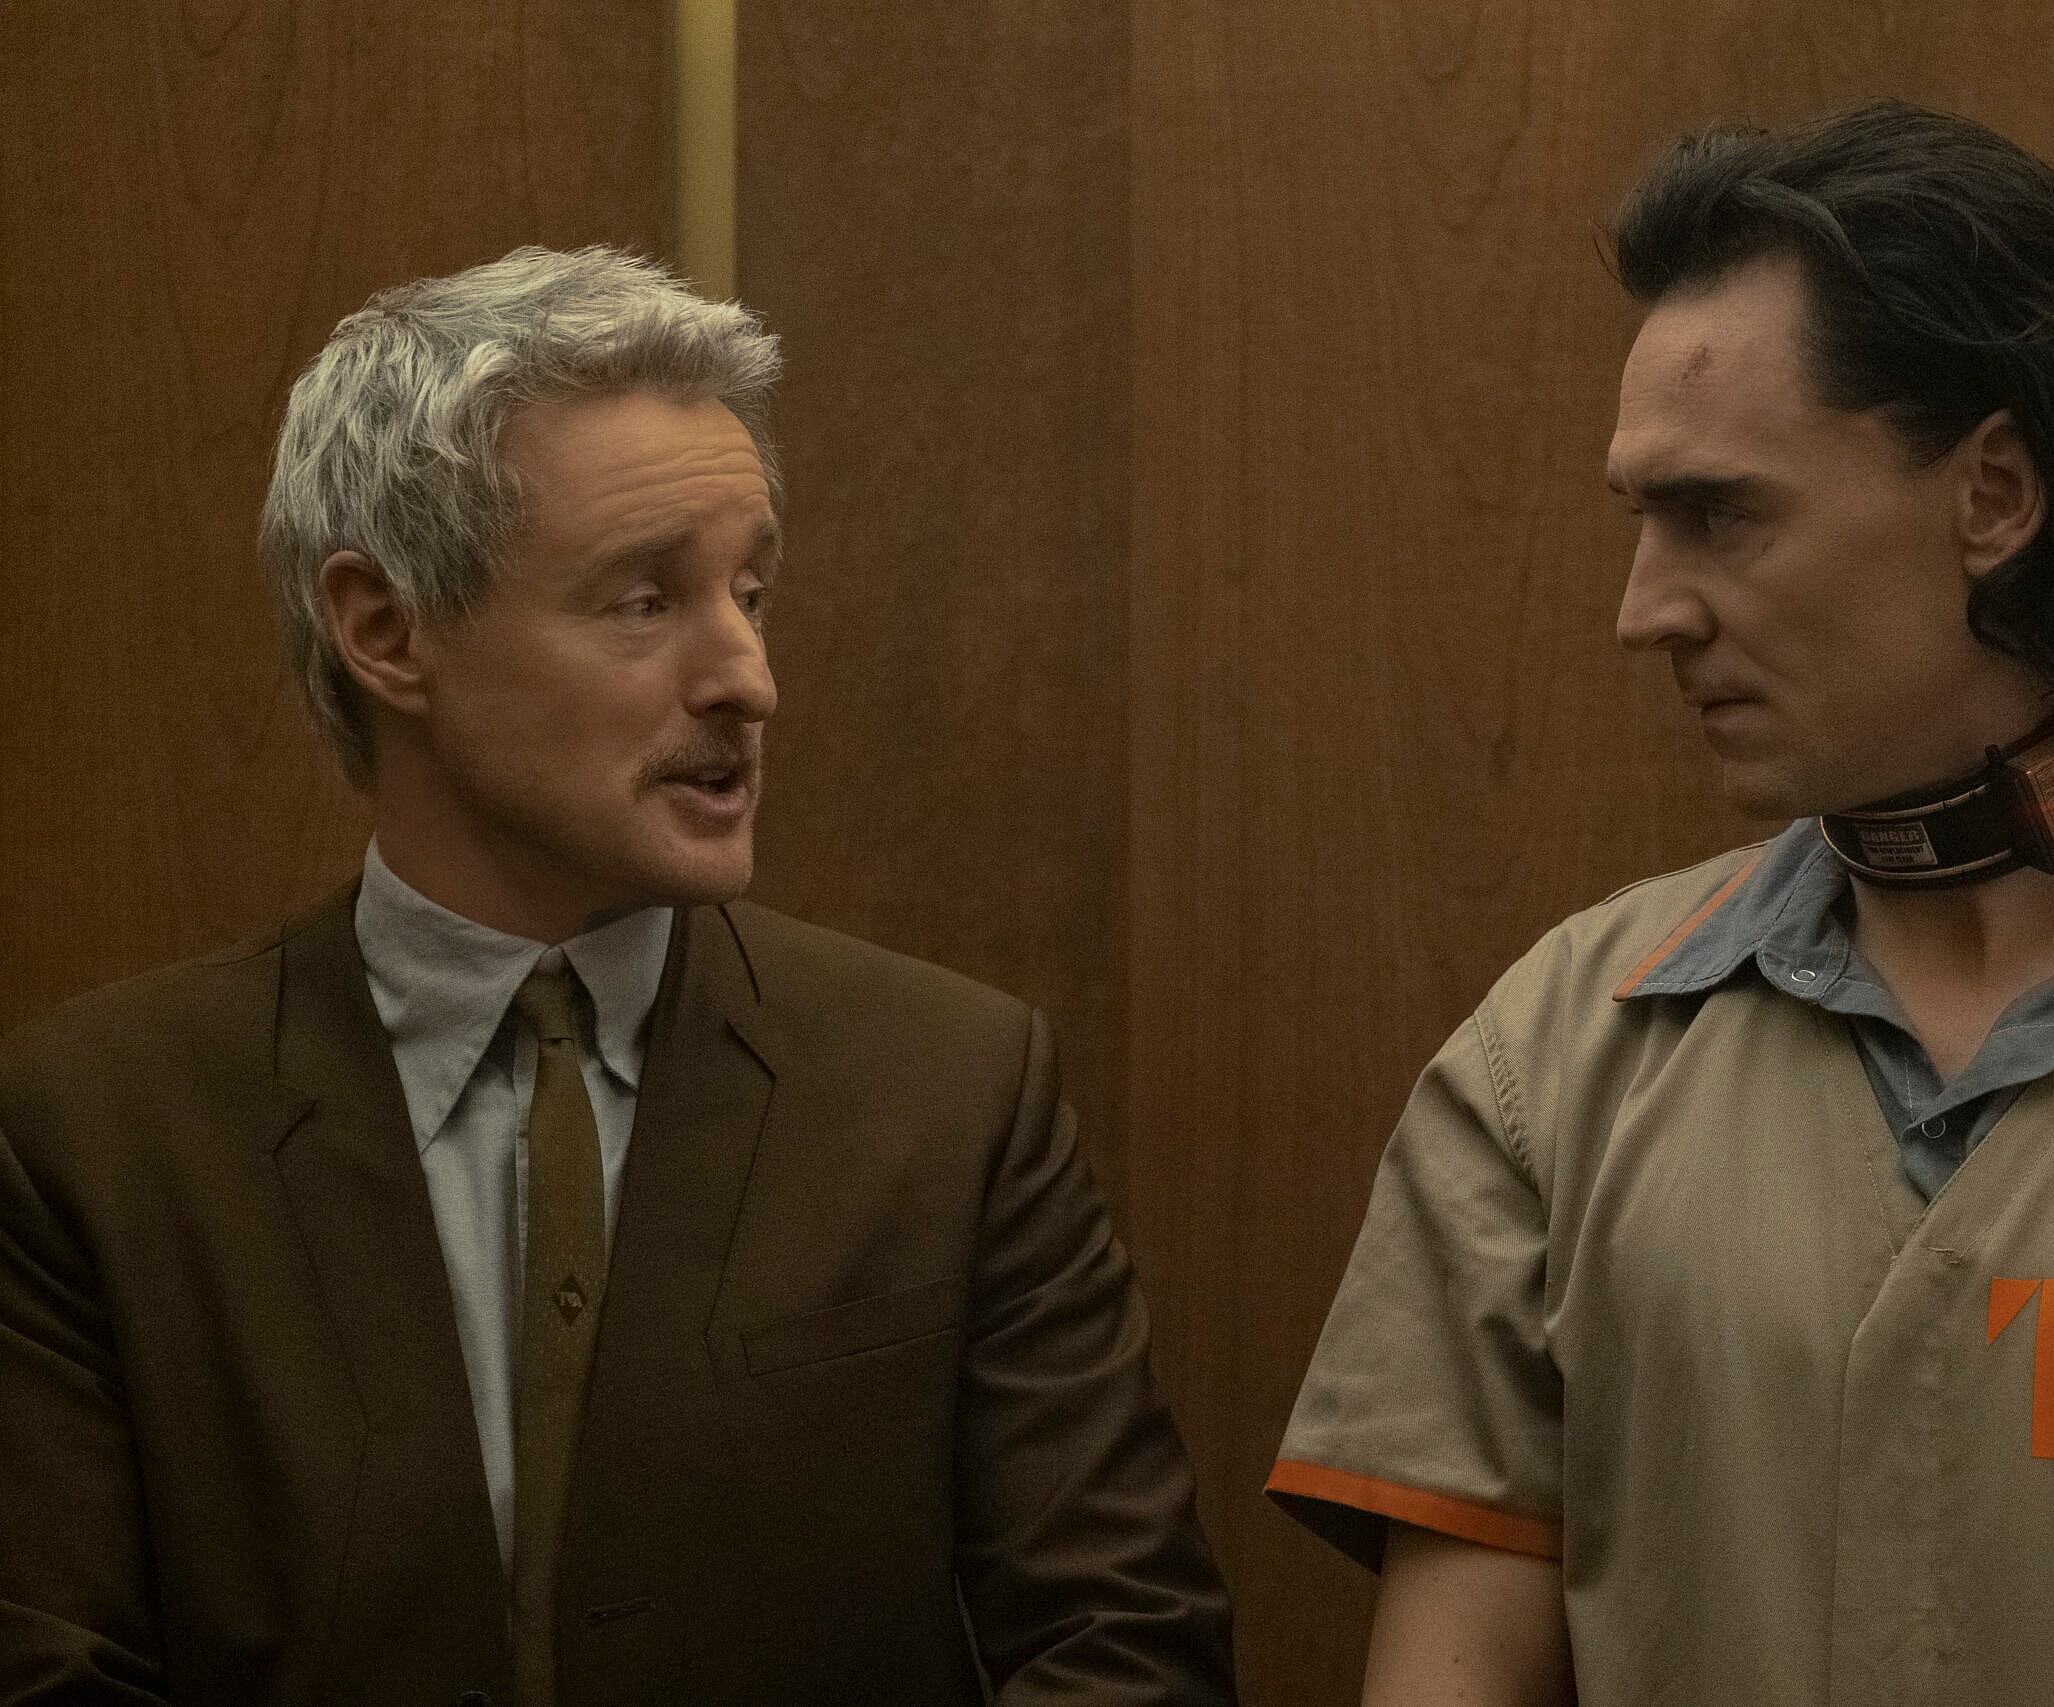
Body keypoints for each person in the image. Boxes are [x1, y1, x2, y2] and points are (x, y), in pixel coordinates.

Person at [1267, 102, 2054, 1706]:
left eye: (1719, 513)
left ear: (1994, 495)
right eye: (1640, 520)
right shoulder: (1554, 1067)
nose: (1644, 610)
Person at [0, 247, 1234, 1706]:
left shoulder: (954, 1096)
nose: (746, 678)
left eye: (751, 593)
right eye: (645, 601)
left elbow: (1124, 1650)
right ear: (386, 631)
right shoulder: (94, 1138)